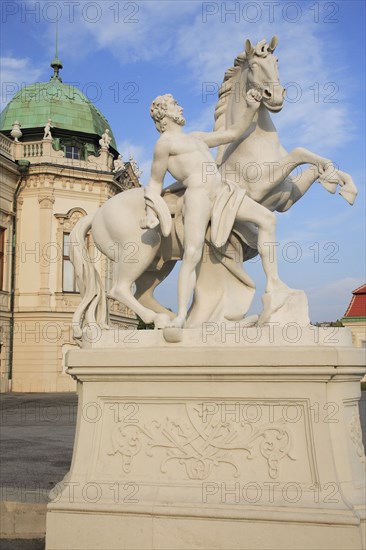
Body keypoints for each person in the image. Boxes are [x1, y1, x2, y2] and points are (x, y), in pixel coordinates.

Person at [141, 92, 288, 328]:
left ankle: (274, 283)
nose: (180, 108)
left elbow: (233, 133)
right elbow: (155, 181)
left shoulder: (196, 137)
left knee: (268, 219)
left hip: (223, 192)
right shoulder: (164, 144)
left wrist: (250, 107)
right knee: (192, 254)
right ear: (162, 114)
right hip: (198, 195)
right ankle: (180, 316)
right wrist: (151, 212)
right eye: (174, 105)